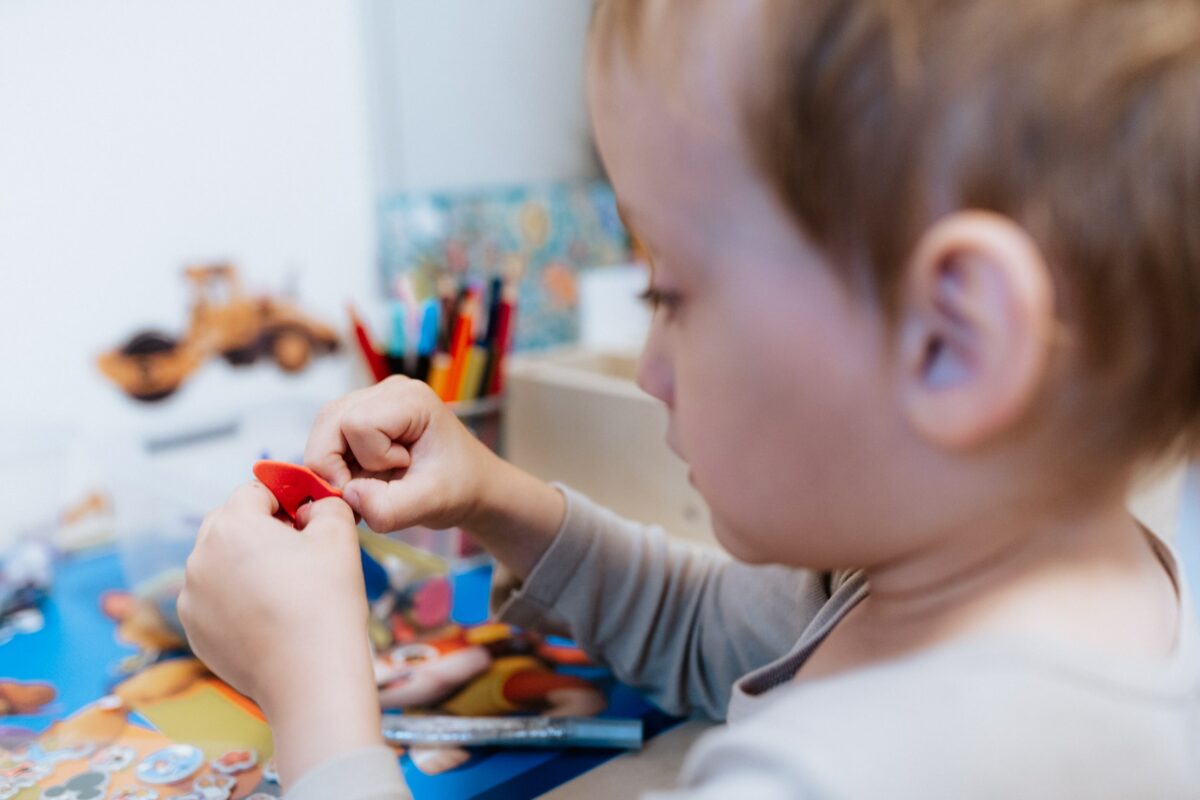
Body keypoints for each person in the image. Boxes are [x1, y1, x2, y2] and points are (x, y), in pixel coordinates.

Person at [178, 0, 1200, 796]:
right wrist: (495, 496)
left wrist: (315, 698)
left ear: (952, 340)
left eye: (670, 289)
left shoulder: (843, 777)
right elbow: (714, 630)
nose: (649, 364)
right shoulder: (1012, 571)